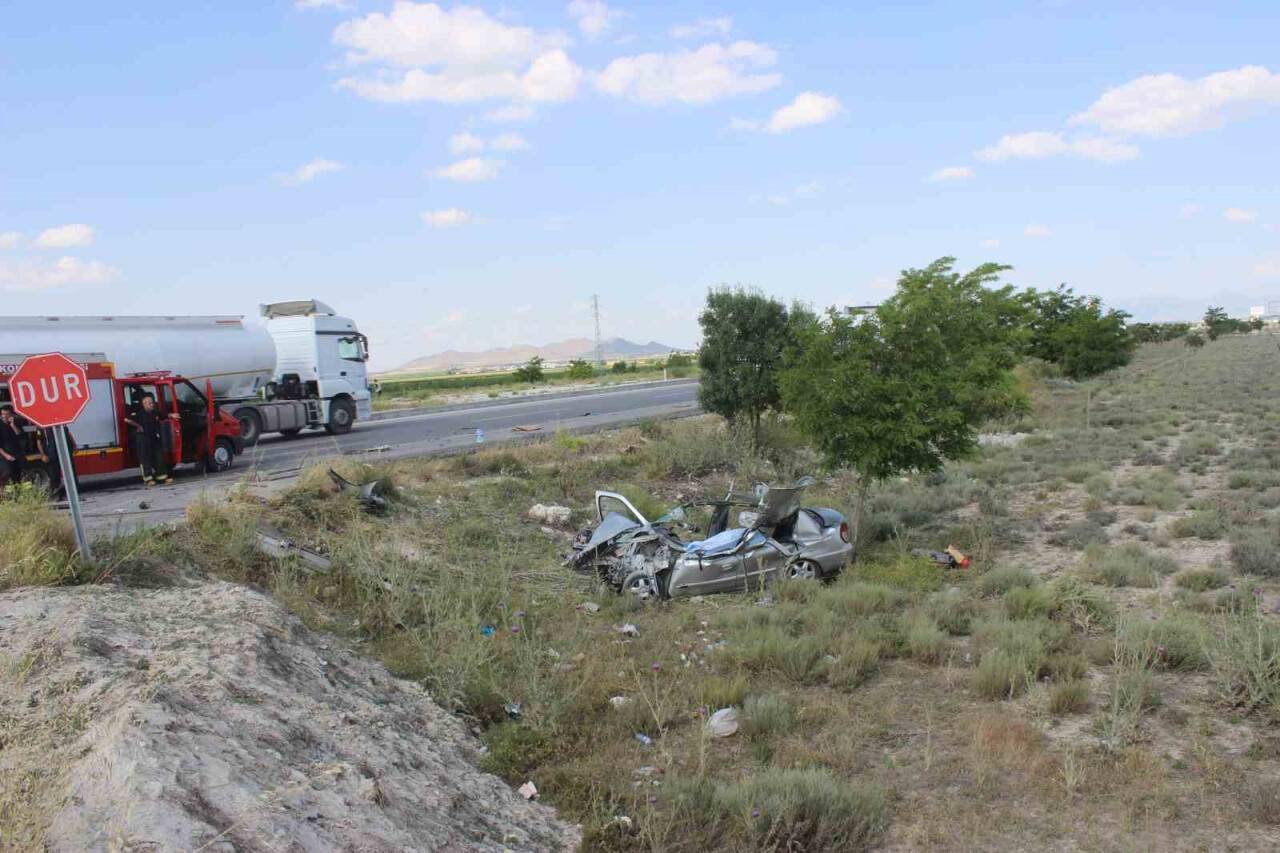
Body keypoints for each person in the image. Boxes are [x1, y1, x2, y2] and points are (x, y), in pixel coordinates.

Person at [123, 393, 174, 486]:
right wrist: (138, 426)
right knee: (145, 459)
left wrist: (172, 415)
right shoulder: (139, 413)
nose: (152, 404)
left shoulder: (155, 412)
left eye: (152, 402)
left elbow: (164, 415)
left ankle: (162, 478)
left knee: (159, 457)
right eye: (149, 403)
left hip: (154, 438)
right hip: (143, 439)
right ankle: (148, 480)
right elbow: (127, 420)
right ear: (144, 404)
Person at [0, 406, 25, 491]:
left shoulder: (16, 423)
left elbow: (20, 436)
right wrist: (6, 456)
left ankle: (18, 495)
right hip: (4, 455)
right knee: (7, 474)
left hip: (17, 453)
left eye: (6, 414)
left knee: (18, 475)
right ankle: (6, 496)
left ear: (11, 415)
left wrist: (13, 426)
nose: (4, 416)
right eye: (3, 414)